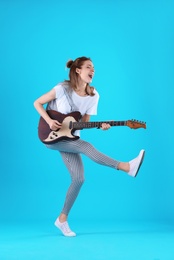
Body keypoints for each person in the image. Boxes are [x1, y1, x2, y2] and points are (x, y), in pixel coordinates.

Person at [34, 56, 145, 237]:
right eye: (88, 67)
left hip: (70, 138)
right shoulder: (61, 89)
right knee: (86, 147)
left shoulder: (94, 96)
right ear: (78, 70)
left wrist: (101, 126)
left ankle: (61, 220)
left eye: (94, 68)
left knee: (79, 179)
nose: (92, 70)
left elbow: (84, 123)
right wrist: (49, 120)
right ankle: (126, 167)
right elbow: (37, 103)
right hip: (50, 135)